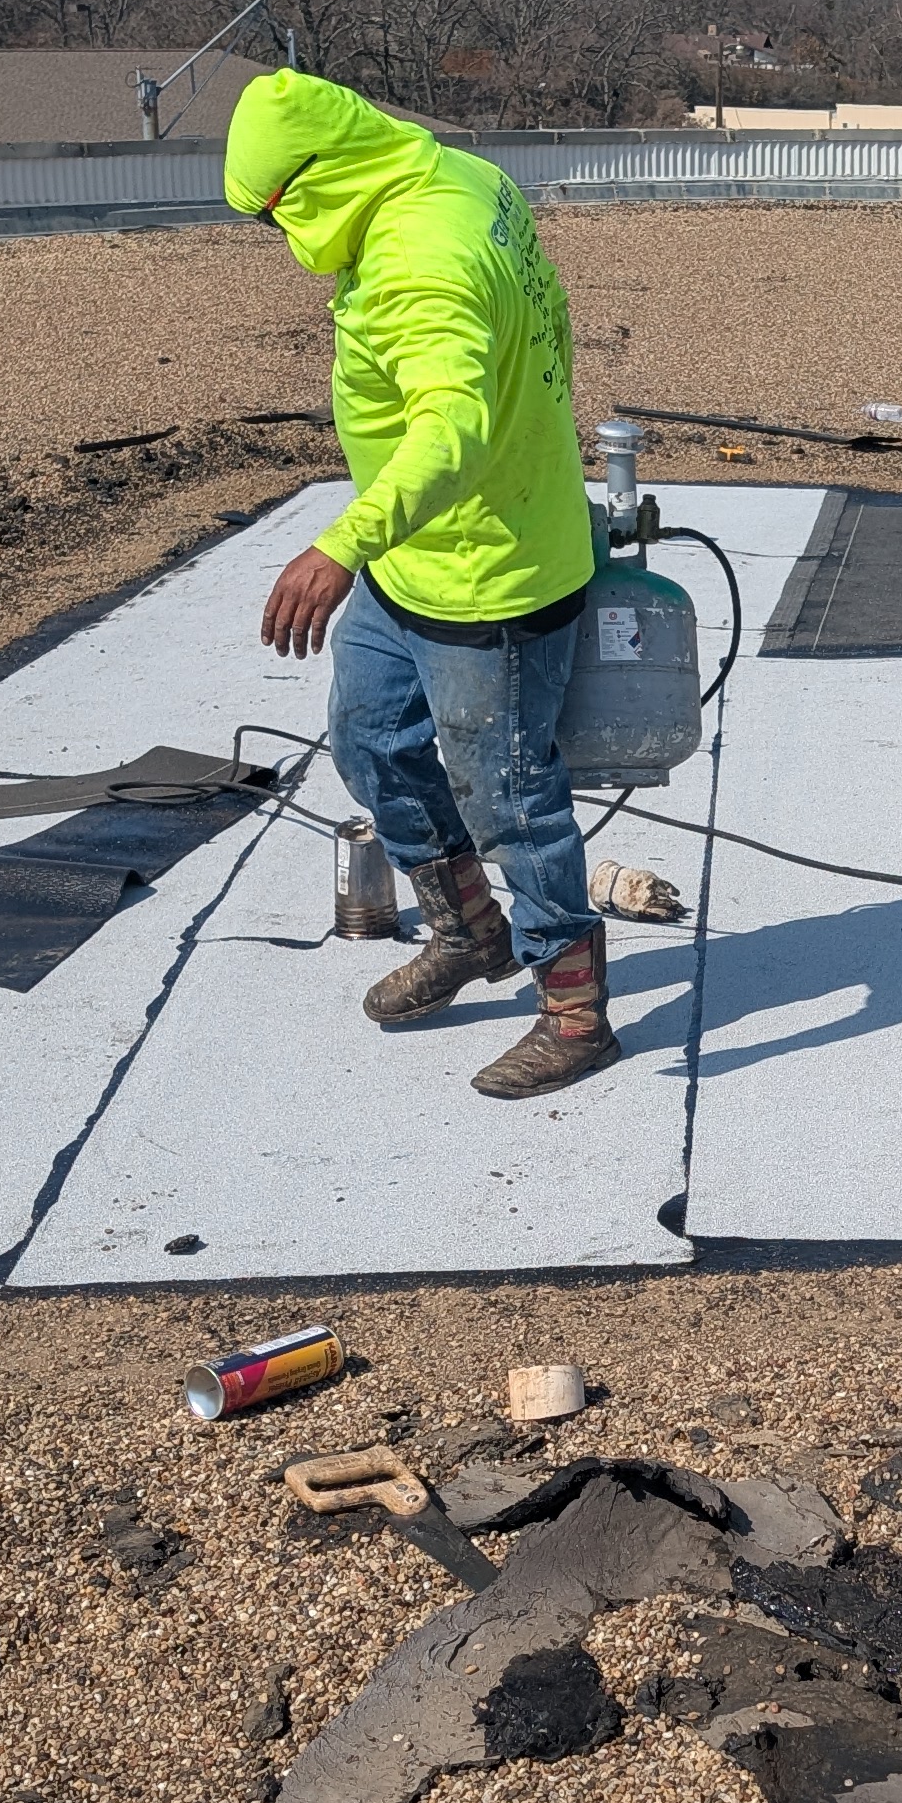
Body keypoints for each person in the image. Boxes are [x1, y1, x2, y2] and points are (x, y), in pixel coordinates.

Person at [227, 69, 616, 1097]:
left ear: (313, 186)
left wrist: (340, 544)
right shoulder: (454, 176)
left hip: (487, 574)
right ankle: (469, 928)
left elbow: (453, 432)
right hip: (419, 562)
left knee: (514, 802)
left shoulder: (419, 263)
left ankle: (574, 1012)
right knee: (368, 740)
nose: (279, 242)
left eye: (274, 221)